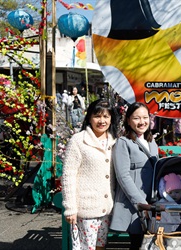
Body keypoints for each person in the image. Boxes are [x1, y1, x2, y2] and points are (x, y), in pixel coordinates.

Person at [61, 99, 118, 250]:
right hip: (86, 208)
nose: (102, 121)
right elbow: (68, 176)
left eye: (106, 116)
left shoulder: (114, 141)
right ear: (89, 118)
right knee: (87, 248)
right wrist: (70, 207)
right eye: (97, 116)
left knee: (101, 246)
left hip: (106, 208)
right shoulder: (78, 141)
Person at [110, 102, 159, 249]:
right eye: (137, 118)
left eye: (145, 117)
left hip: (152, 203)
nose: (142, 122)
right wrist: (140, 203)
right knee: (138, 244)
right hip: (135, 205)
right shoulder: (123, 142)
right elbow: (123, 175)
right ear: (128, 120)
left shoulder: (152, 142)